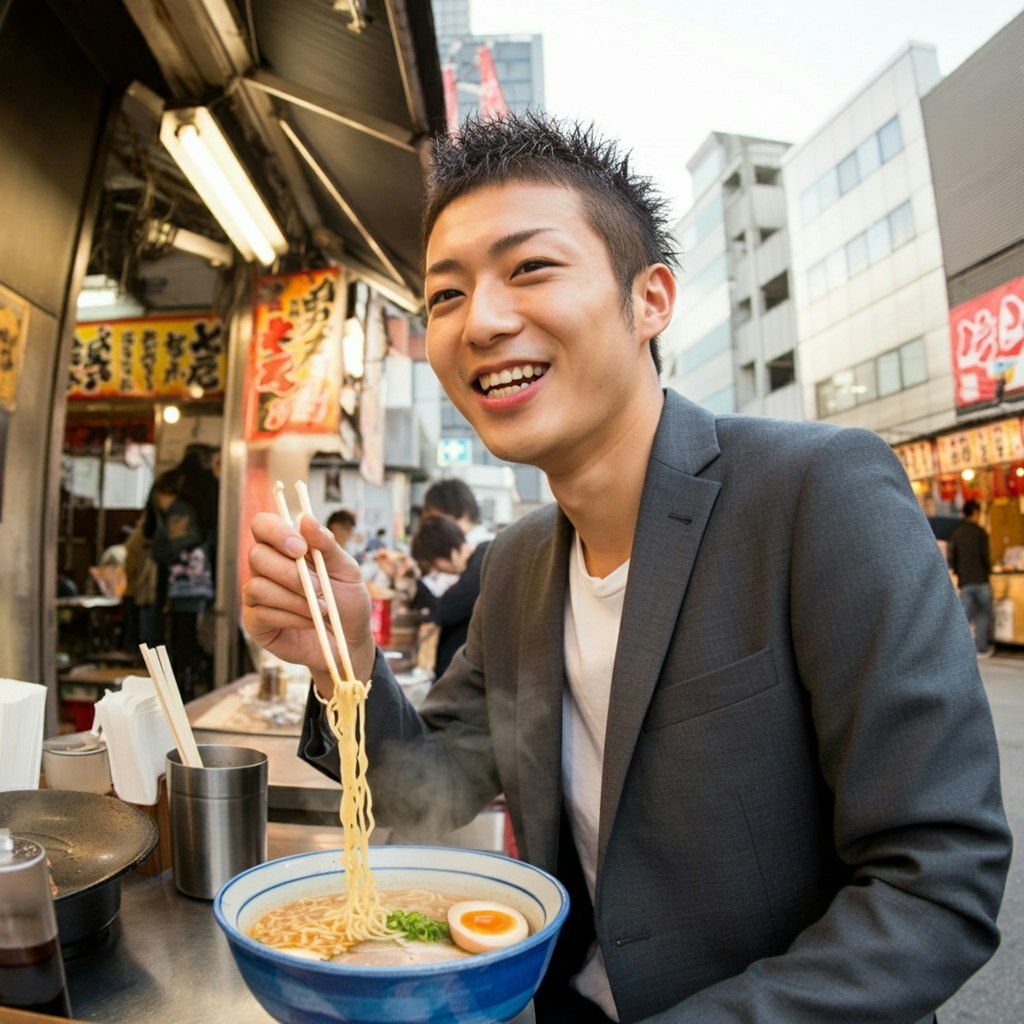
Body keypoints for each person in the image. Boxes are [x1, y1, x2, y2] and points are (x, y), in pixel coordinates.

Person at [242, 112, 1011, 1023]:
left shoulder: (815, 493)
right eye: (445, 295)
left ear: (650, 299)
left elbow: (937, 883)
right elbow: (436, 786)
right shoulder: (521, 559)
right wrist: (349, 666)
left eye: (530, 268)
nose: (481, 321)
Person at [150, 469, 213, 699]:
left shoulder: (179, 512)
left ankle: (189, 682)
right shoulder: (184, 510)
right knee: (184, 636)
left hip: (186, 586)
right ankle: (191, 678)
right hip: (189, 585)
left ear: (164, 494)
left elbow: (176, 545)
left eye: (158, 497)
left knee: (183, 638)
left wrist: (161, 553)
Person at [405, 513, 490, 679]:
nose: (438, 570)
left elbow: (443, 610)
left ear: (450, 552)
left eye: (435, 564)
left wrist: (416, 582)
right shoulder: (479, 560)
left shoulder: (482, 562)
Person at [948, 498, 995, 657]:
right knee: (983, 614)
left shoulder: (956, 534)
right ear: (975, 513)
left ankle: (959, 650)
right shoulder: (981, 533)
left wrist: (958, 572)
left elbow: (951, 558)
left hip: (965, 582)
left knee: (964, 618)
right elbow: (985, 557)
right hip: (981, 581)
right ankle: (981, 648)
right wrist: (988, 572)